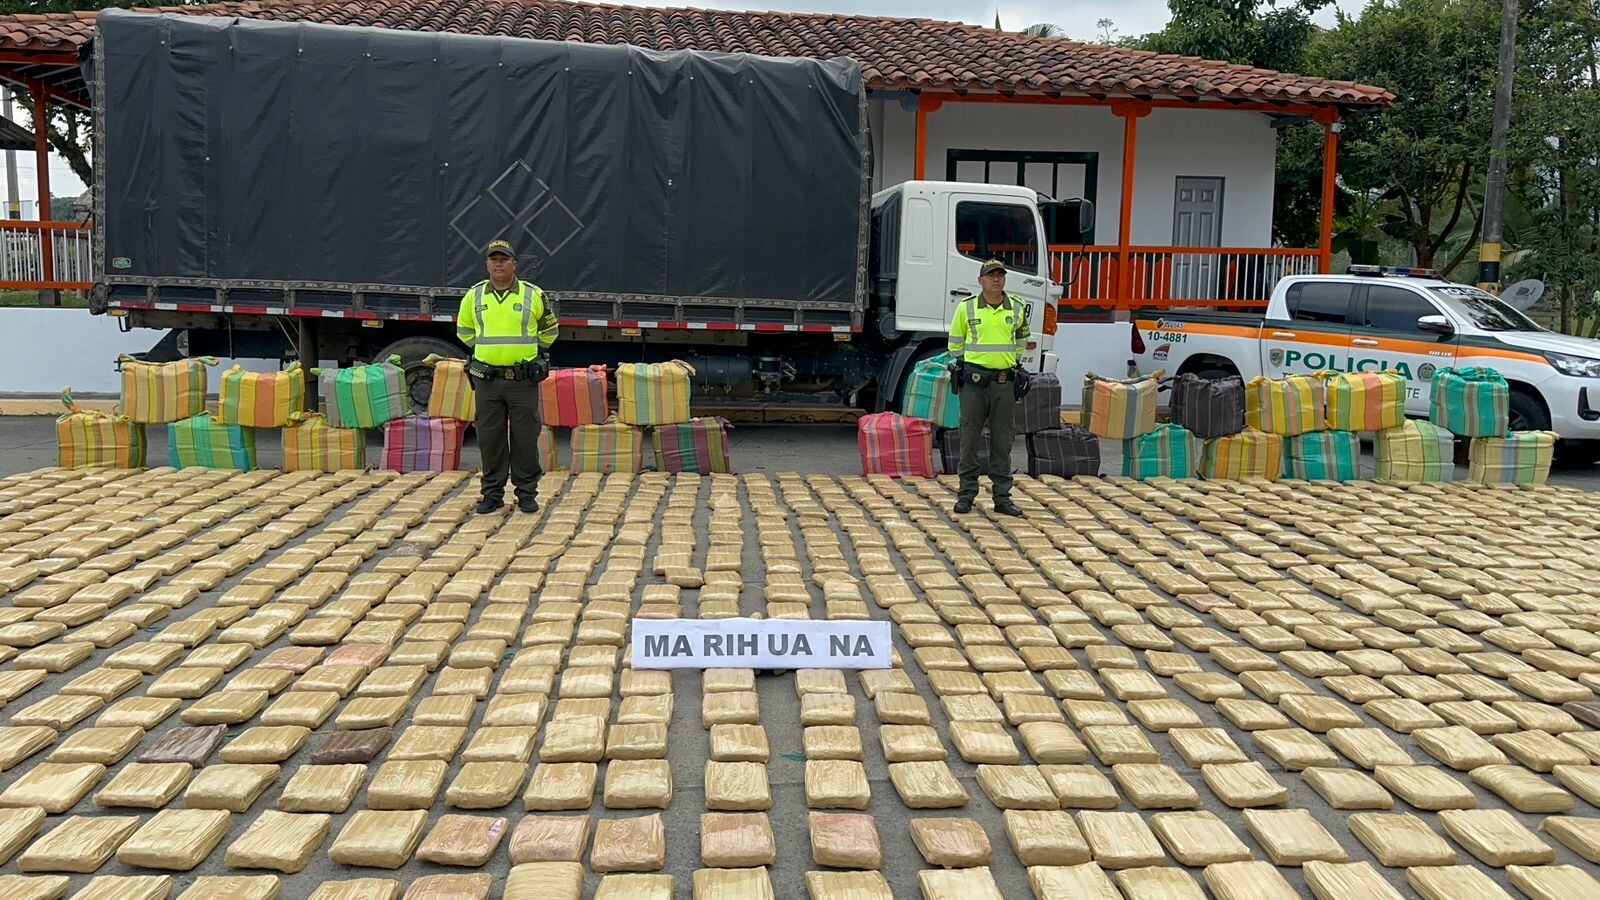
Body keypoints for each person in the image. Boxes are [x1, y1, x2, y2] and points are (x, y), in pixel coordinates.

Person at [456, 239, 559, 515]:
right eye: (494, 259)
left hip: (522, 381)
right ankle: (492, 495)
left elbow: (550, 330)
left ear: (514, 263)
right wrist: (486, 354)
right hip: (487, 382)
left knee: (525, 439)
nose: (498, 263)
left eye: (504, 259)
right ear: (487, 264)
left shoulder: (533, 295)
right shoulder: (474, 296)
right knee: (491, 440)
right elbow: (464, 331)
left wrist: (534, 354)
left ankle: (526, 494)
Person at [947, 258, 1031, 517]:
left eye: (1000, 276)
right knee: (969, 439)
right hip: (974, 384)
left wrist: (1009, 366)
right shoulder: (967, 308)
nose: (996, 279)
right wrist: (969, 366)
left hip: (1003, 385)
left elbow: (1021, 341)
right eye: (991, 275)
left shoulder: (1016, 308)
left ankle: (1002, 498)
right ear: (980, 280)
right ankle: (966, 495)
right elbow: (955, 344)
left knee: (1002, 441)